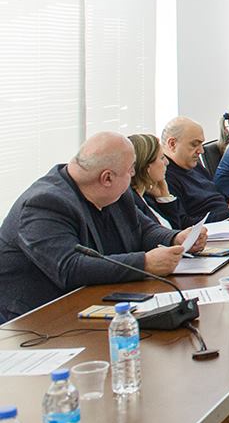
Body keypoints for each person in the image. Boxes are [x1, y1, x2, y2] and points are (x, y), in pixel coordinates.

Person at [0, 132, 206, 321]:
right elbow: (69, 268)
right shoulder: (44, 203)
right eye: (130, 169)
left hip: (101, 301)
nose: (133, 174)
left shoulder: (114, 192)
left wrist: (175, 238)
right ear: (107, 178)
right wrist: (145, 263)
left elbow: (144, 229)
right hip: (41, 320)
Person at [161, 116, 229, 226]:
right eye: (194, 144)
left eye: (201, 144)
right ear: (172, 144)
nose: (201, 151)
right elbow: (184, 224)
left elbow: (217, 197)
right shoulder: (165, 177)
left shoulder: (194, 166)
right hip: (213, 231)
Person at [128, 133, 182, 229]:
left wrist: (164, 197)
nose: (167, 162)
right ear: (146, 166)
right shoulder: (132, 203)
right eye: (162, 158)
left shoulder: (147, 196)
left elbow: (175, 230)